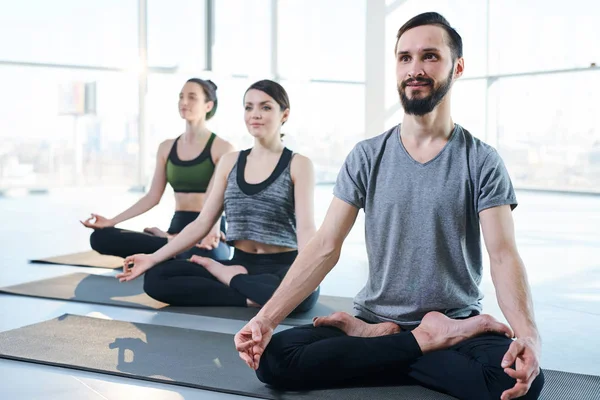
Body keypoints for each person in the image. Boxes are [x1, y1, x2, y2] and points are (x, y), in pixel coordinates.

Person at [234, 12, 545, 400]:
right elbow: (325, 245)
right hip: (374, 318)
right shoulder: (367, 156)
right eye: (405, 58)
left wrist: (529, 338)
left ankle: (385, 343)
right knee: (274, 358)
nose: (415, 69)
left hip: (458, 322)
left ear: (457, 67)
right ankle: (418, 339)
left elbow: (502, 255)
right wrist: (265, 320)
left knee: (516, 382)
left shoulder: (480, 160)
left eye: (430, 56)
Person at [115, 80, 320, 312]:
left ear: (284, 114)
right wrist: (152, 258)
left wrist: (306, 274)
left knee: (303, 297)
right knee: (157, 278)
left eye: (266, 107)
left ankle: (231, 279)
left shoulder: (299, 165)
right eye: (248, 107)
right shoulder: (230, 162)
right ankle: (252, 295)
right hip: (241, 262)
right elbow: (203, 222)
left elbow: (305, 229)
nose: (255, 114)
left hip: (281, 267)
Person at [81, 78, 233, 261]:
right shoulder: (166, 147)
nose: (184, 102)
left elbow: (216, 197)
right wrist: (112, 221)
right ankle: (169, 244)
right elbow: (152, 197)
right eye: (181, 97)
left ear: (208, 106)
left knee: (208, 254)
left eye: (192, 97)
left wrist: (212, 229)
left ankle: (169, 246)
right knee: (100, 238)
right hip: (177, 228)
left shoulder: (223, 148)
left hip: (208, 231)